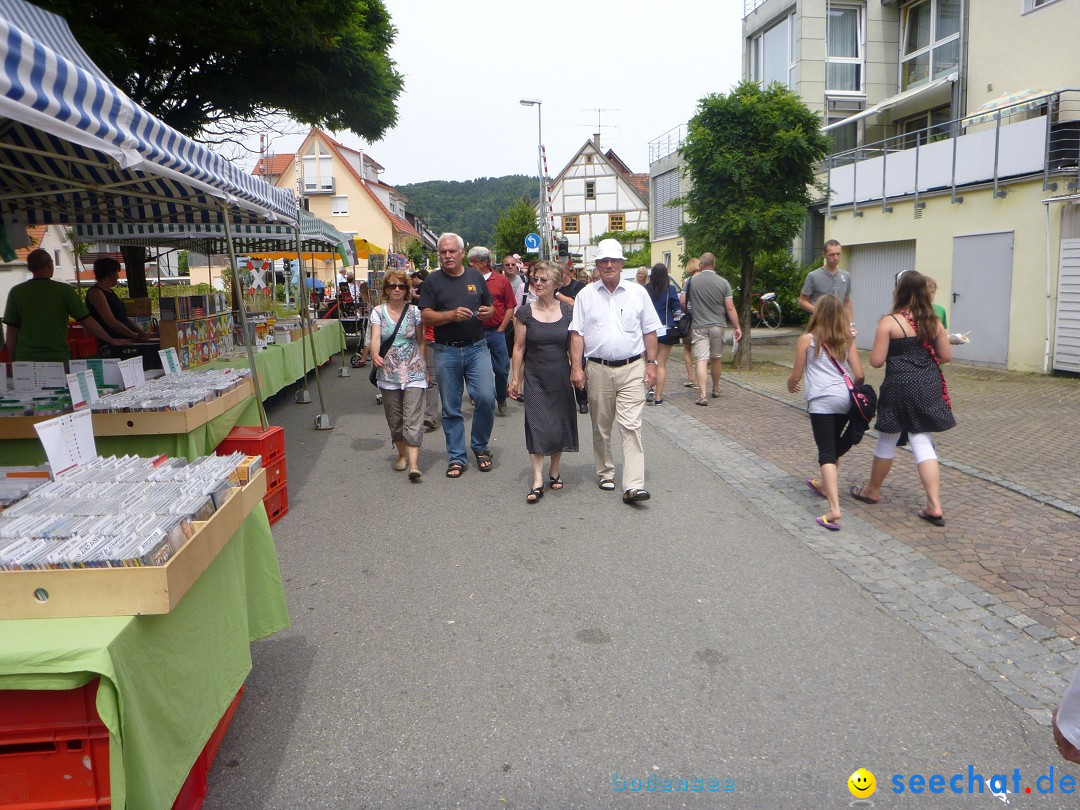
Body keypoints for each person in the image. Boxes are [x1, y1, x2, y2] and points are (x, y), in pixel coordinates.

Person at [850, 270, 955, 525]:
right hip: (928, 383)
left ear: (900, 291)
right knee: (922, 440)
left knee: (887, 439)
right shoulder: (933, 321)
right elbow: (946, 356)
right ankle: (934, 505)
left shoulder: (890, 322)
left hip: (898, 385)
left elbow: (876, 361)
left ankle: (872, 491)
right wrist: (922, 362)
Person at [569, 238, 662, 505]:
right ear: (597, 265)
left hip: (633, 366)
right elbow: (577, 333)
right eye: (603, 261)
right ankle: (605, 471)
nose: (608, 265)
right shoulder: (586, 295)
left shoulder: (637, 293)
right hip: (597, 368)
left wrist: (652, 363)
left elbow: (650, 330)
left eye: (613, 260)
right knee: (601, 426)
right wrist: (577, 367)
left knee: (631, 426)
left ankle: (633, 485)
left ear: (622, 263)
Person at [418, 233, 496, 478]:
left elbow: (491, 306)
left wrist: (486, 312)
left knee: (486, 397)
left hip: (476, 347)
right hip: (446, 349)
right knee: (451, 407)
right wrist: (451, 315)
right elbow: (426, 316)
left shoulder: (475, 277)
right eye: (443, 252)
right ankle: (456, 457)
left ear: (463, 253)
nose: (447, 256)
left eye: (452, 251)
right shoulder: (432, 281)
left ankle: (480, 446)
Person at [786, 295, 864, 531]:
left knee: (826, 453)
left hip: (821, 402)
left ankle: (834, 509)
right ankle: (823, 485)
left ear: (817, 314)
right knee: (832, 446)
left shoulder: (806, 340)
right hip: (844, 400)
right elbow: (859, 375)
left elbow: (797, 374)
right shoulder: (846, 341)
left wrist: (791, 384)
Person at [509, 260, 578, 503]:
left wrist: (577, 370)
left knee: (557, 424)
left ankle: (554, 470)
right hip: (535, 376)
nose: (537, 284)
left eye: (543, 280)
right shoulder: (525, 313)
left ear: (556, 283)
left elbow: (574, 345)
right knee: (537, 424)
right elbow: (518, 347)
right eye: (534, 279)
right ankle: (538, 479)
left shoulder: (568, 311)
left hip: (559, 374)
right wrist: (515, 379)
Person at [3, 249, 129, 362]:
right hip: (56, 357)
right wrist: (111, 340)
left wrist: (14, 360)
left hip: (26, 358)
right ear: (50, 264)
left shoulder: (17, 292)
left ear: (30, 267)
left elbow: (11, 330)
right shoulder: (64, 291)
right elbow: (88, 321)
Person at [371, 269, 427, 481]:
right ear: (386, 289)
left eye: (401, 286)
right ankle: (402, 455)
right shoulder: (377, 311)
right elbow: (376, 336)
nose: (397, 289)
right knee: (395, 419)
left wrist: (425, 368)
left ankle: (414, 463)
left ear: (407, 290)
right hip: (388, 372)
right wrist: (375, 354)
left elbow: (421, 341)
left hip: (414, 370)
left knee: (412, 417)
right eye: (392, 286)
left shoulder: (415, 312)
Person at [687, 253, 741, 406]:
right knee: (716, 358)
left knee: (701, 360)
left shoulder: (691, 281)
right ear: (714, 264)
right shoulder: (724, 283)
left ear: (700, 265)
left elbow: (683, 302)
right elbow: (730, 307)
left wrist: (693, 312)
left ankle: (703, 395)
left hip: (698, 325)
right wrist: (737, 327)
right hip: (718, 325)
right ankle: (716, 388)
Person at [469, 246, 515, 417]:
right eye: (470, 262)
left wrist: (502, 328)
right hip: (474, 332)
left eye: (475, 262)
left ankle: (501, 397)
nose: (471, 265)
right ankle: (478, 397)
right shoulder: (467, 279)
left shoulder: (501, 281)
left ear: (485, 262)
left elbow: (510, 306)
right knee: (474, 368)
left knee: (502, 368)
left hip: (496, 331)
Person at [85, 258, 151, 342]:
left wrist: (140, 331)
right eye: (117, 273)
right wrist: (133, 335)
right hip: (111, 341)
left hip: (124, 338)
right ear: (110, 274)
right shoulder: (96, 293)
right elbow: (111, 322)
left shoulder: (110, 292)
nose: (118, 277)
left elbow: (123, 317)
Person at [799, 240, 854, 334]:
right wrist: (820, 311)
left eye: (838, 254)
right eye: (832, 254)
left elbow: (847, 302)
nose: (836, 258)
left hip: (838, 325)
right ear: (824, 254)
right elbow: (802, 301)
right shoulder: (813, 276)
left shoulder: (846, 276)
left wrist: (851, 325)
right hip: (818, 325)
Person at [645, 263, 681, 405]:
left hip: (648, 331)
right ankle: (659, 397)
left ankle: (649, 389)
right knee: (661, 365)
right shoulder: (670, 289)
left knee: (649, 362)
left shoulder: (645, 289)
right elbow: (677, 310)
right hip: (666, 329)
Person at [554, 262, 588, 414]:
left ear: (565, 273)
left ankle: (582, 400)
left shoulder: (578, 287)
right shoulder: (554, 288)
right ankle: (561, 399)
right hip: (559, 328)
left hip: (576, 329)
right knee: (560, 363)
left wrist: (558, 296)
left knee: (579, 363)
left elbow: (575, 304)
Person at [410, 270, 439, 431]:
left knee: (448, 380)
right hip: (429, 342)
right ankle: (431, 416)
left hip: (448, 343)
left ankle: (449, 413)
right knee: (432, 380)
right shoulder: (422, 305)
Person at [680, 257, 701, 388]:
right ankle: (700, 380)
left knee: (688, 349)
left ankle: (690, 378)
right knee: (701, 351)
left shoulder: (688, 281)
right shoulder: (706, 280)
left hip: (691, 318)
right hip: (704, 319)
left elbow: (682, 301)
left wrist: (685, 311)